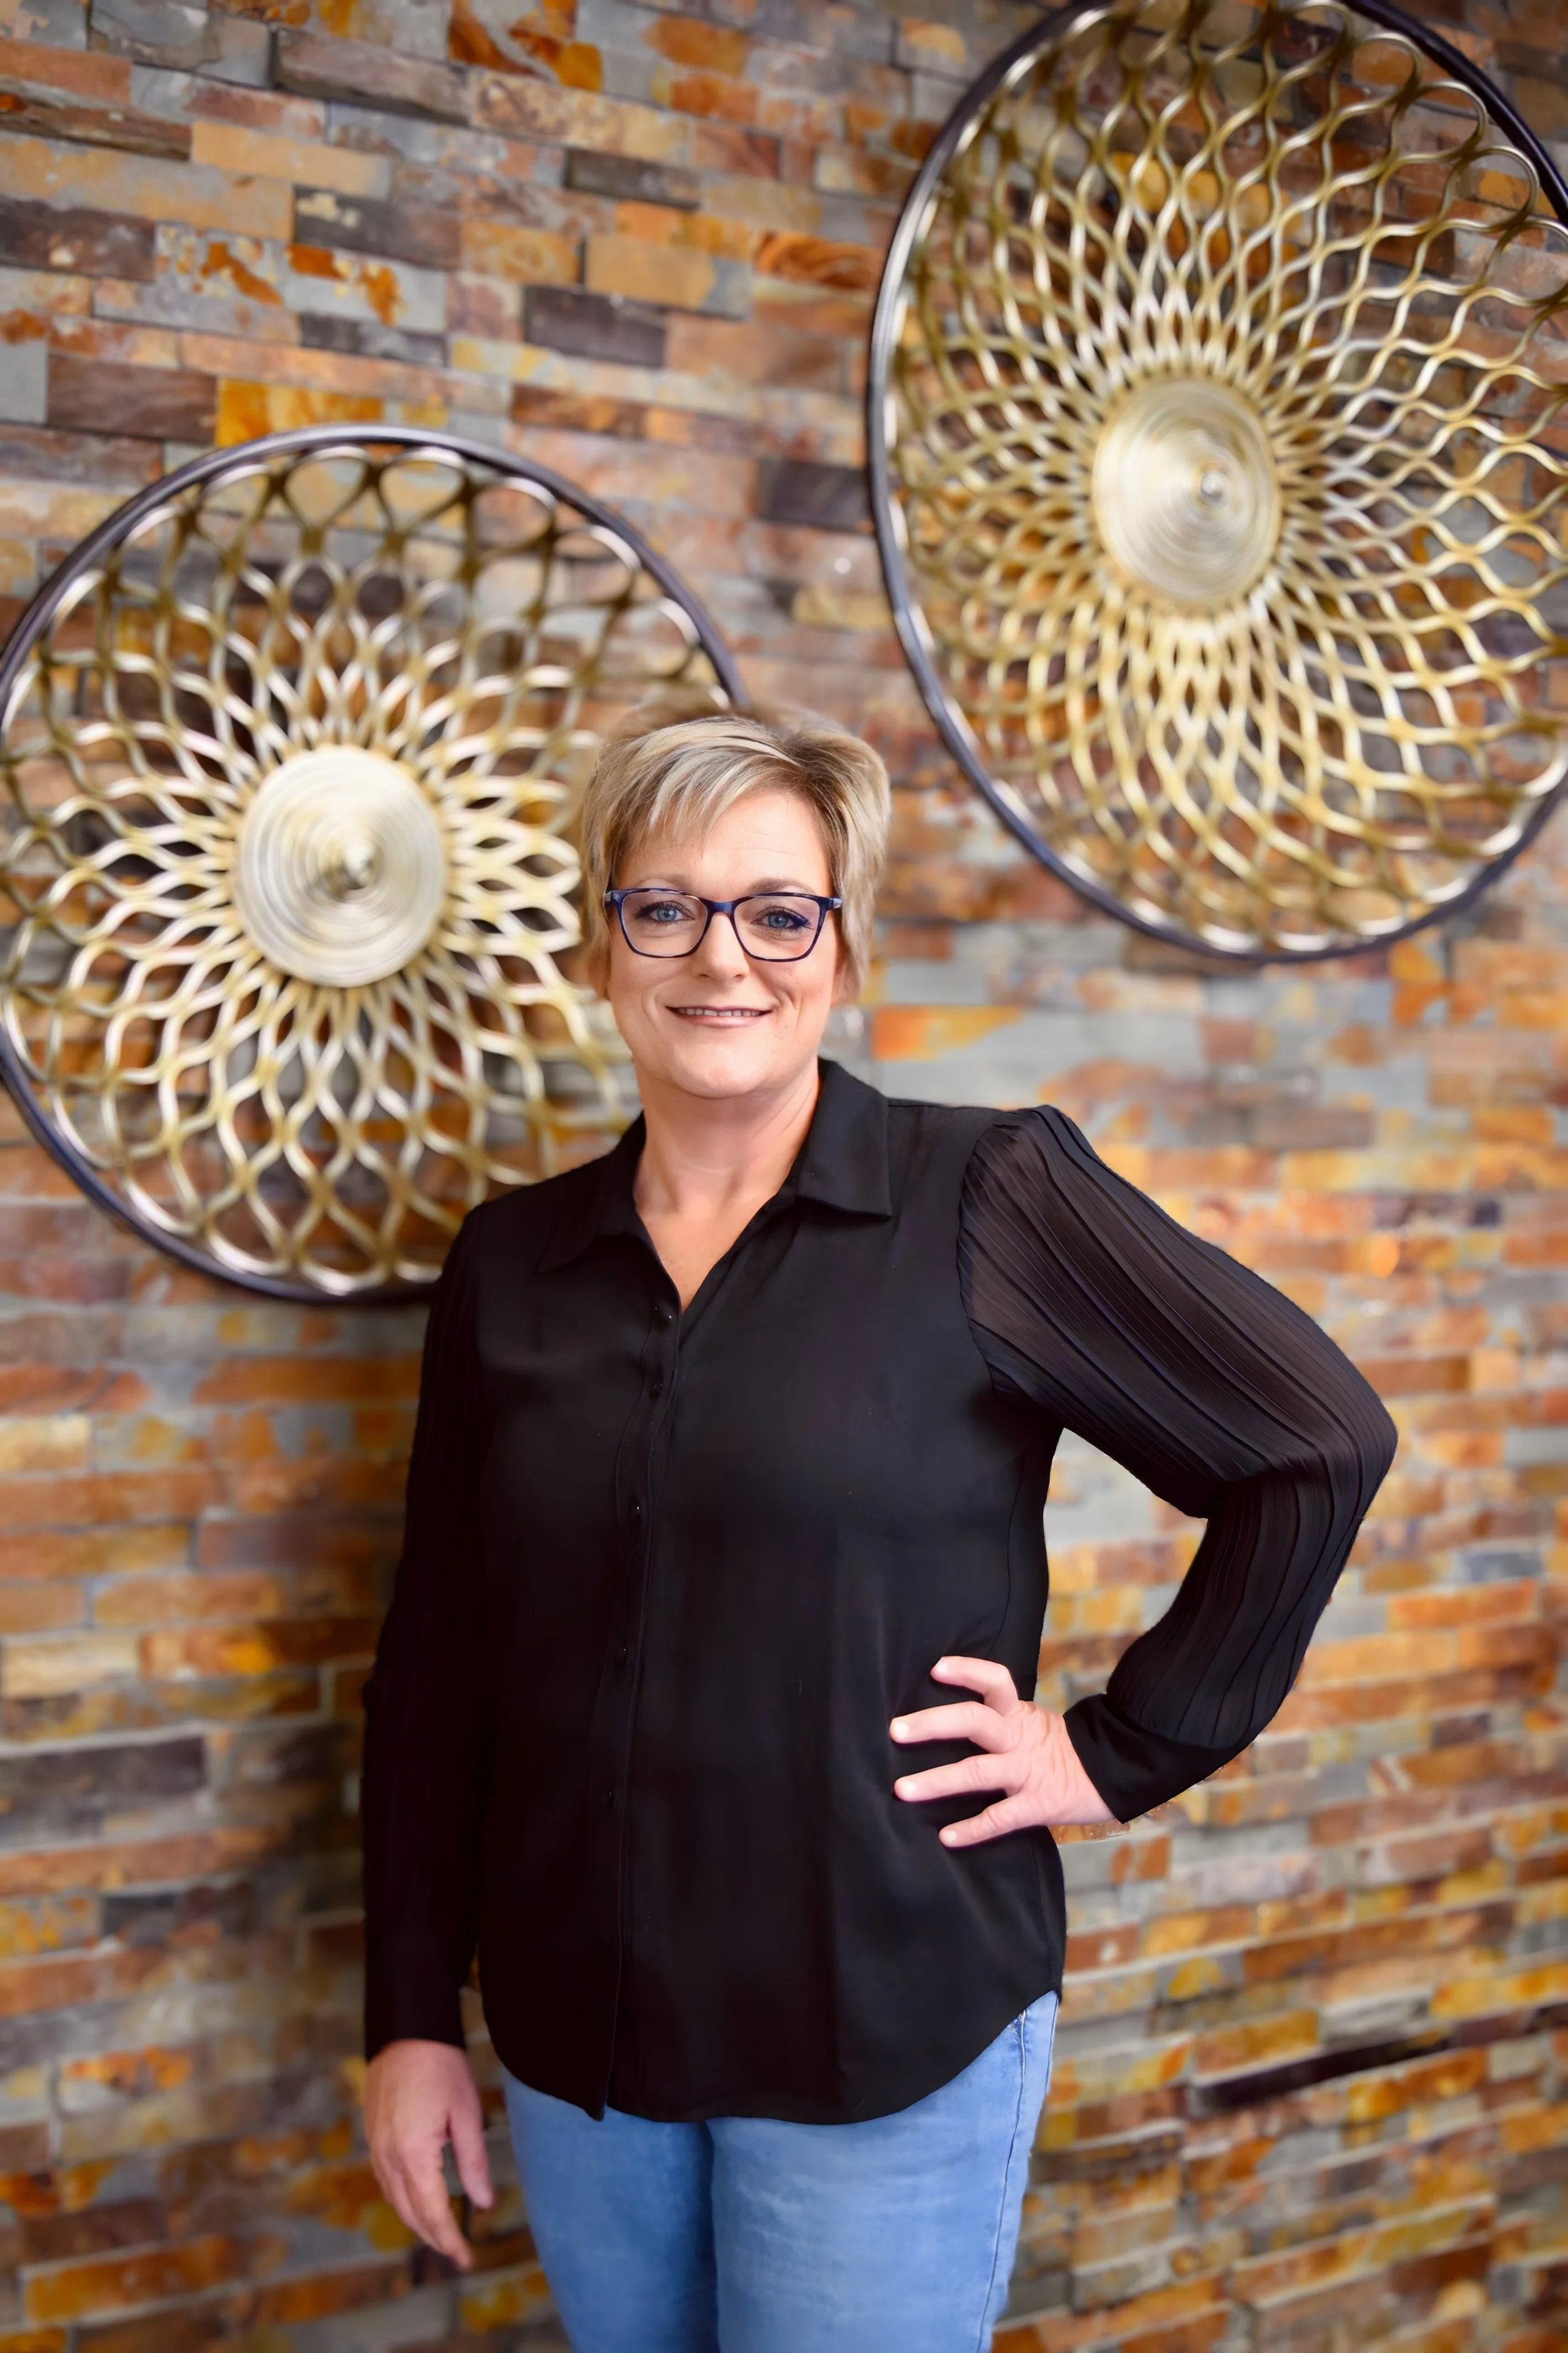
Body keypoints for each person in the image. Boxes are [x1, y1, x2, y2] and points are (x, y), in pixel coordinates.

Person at [361, 699, 1396, 2353]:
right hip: (580, 2052)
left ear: (843, 951)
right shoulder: (510, 1264)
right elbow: (440, 1661)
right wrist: (410, 2014)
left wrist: (1119, 1750)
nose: (724, 956)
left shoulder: (988, 1199)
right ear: (602, 942)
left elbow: (1313, 1442)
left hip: (885, 2036)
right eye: (665, 905)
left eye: (781, 911)